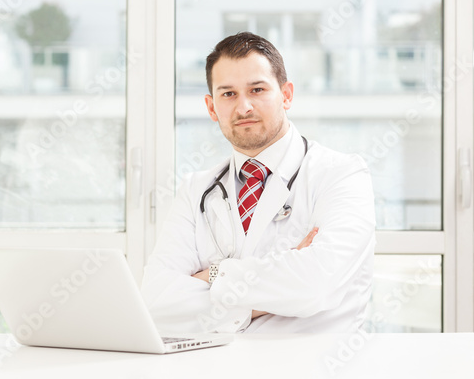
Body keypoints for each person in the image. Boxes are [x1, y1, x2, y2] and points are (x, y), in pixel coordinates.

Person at [141, 32, 375, 333]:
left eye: (257, 89)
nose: (244, 108)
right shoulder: (195, 189)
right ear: (212, 108)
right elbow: (157, 303)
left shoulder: (341, 175)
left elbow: (317, 285)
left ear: (286, 95)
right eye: (228, 94)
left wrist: (212, 276)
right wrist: (283, 274)